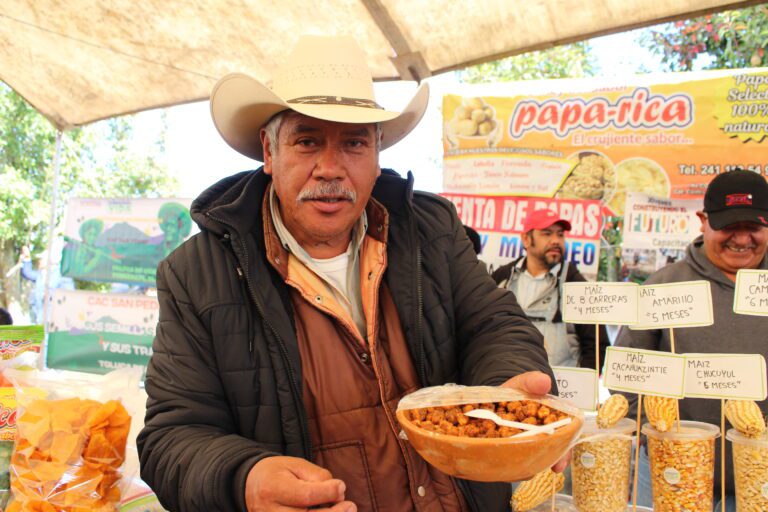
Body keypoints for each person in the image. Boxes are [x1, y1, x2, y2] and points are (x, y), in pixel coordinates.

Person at [138, 35, 559, 512]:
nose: (330, 168)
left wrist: (508, 394)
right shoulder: (197, 275)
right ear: (269, 153)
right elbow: (172, 436)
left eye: (354, 142)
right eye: (307, 141)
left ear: (378, 156)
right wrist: (245, 478)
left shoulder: (431, 230)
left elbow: (494, 324)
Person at [615, 169, 768, 511]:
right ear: (703, 221)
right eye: (730, 226)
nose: (742, 239)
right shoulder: (665, 285)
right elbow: (626, 372)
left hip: (759, 476)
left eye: (753, 227)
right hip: (670, 468)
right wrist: (650, 430)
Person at [491, 208, 609, 370]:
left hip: (561, 389)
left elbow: (596, 346)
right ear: (526, 239)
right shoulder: (502, 278)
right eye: (547, 234)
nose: (556, 240)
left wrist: (582, 387)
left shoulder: (576, 285)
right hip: (508, 384)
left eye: (560, 234)